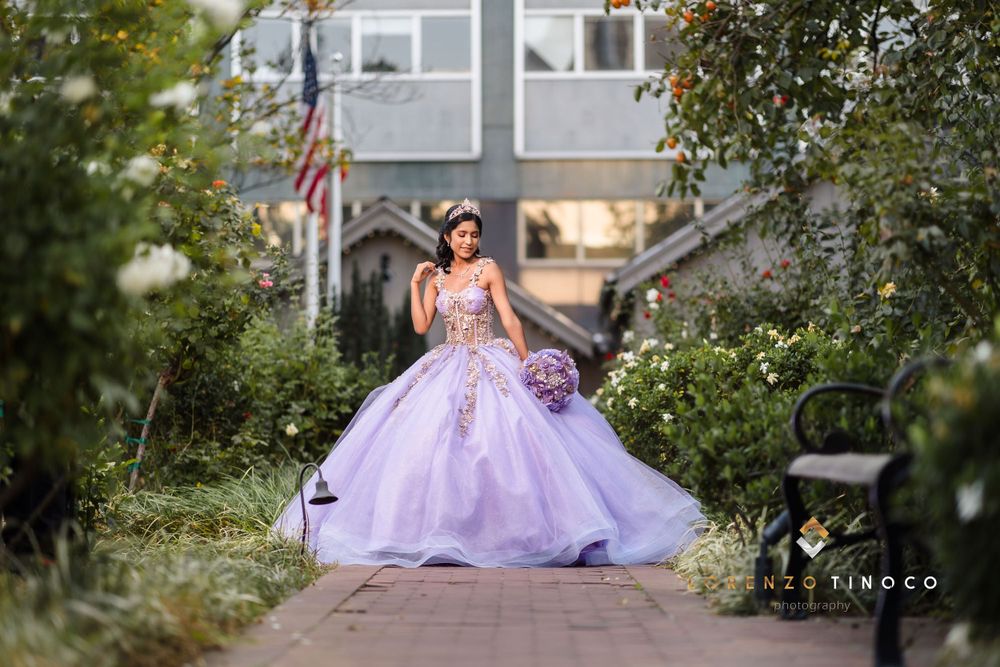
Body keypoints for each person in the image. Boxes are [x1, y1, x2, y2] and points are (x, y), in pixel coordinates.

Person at [273, 199, 706, 567]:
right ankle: (433, 533)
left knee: (512, 438)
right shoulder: (438, 278)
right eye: (460, 234)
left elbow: (511, 318)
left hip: (489, 358)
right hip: (446, 362)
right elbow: (422, 323)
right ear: (447, 237)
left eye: (473, 235)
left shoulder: (489, 270)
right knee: (430, 442)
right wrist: (416, 284)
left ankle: (529, 534)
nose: (468, 241)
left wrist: (530, 363)